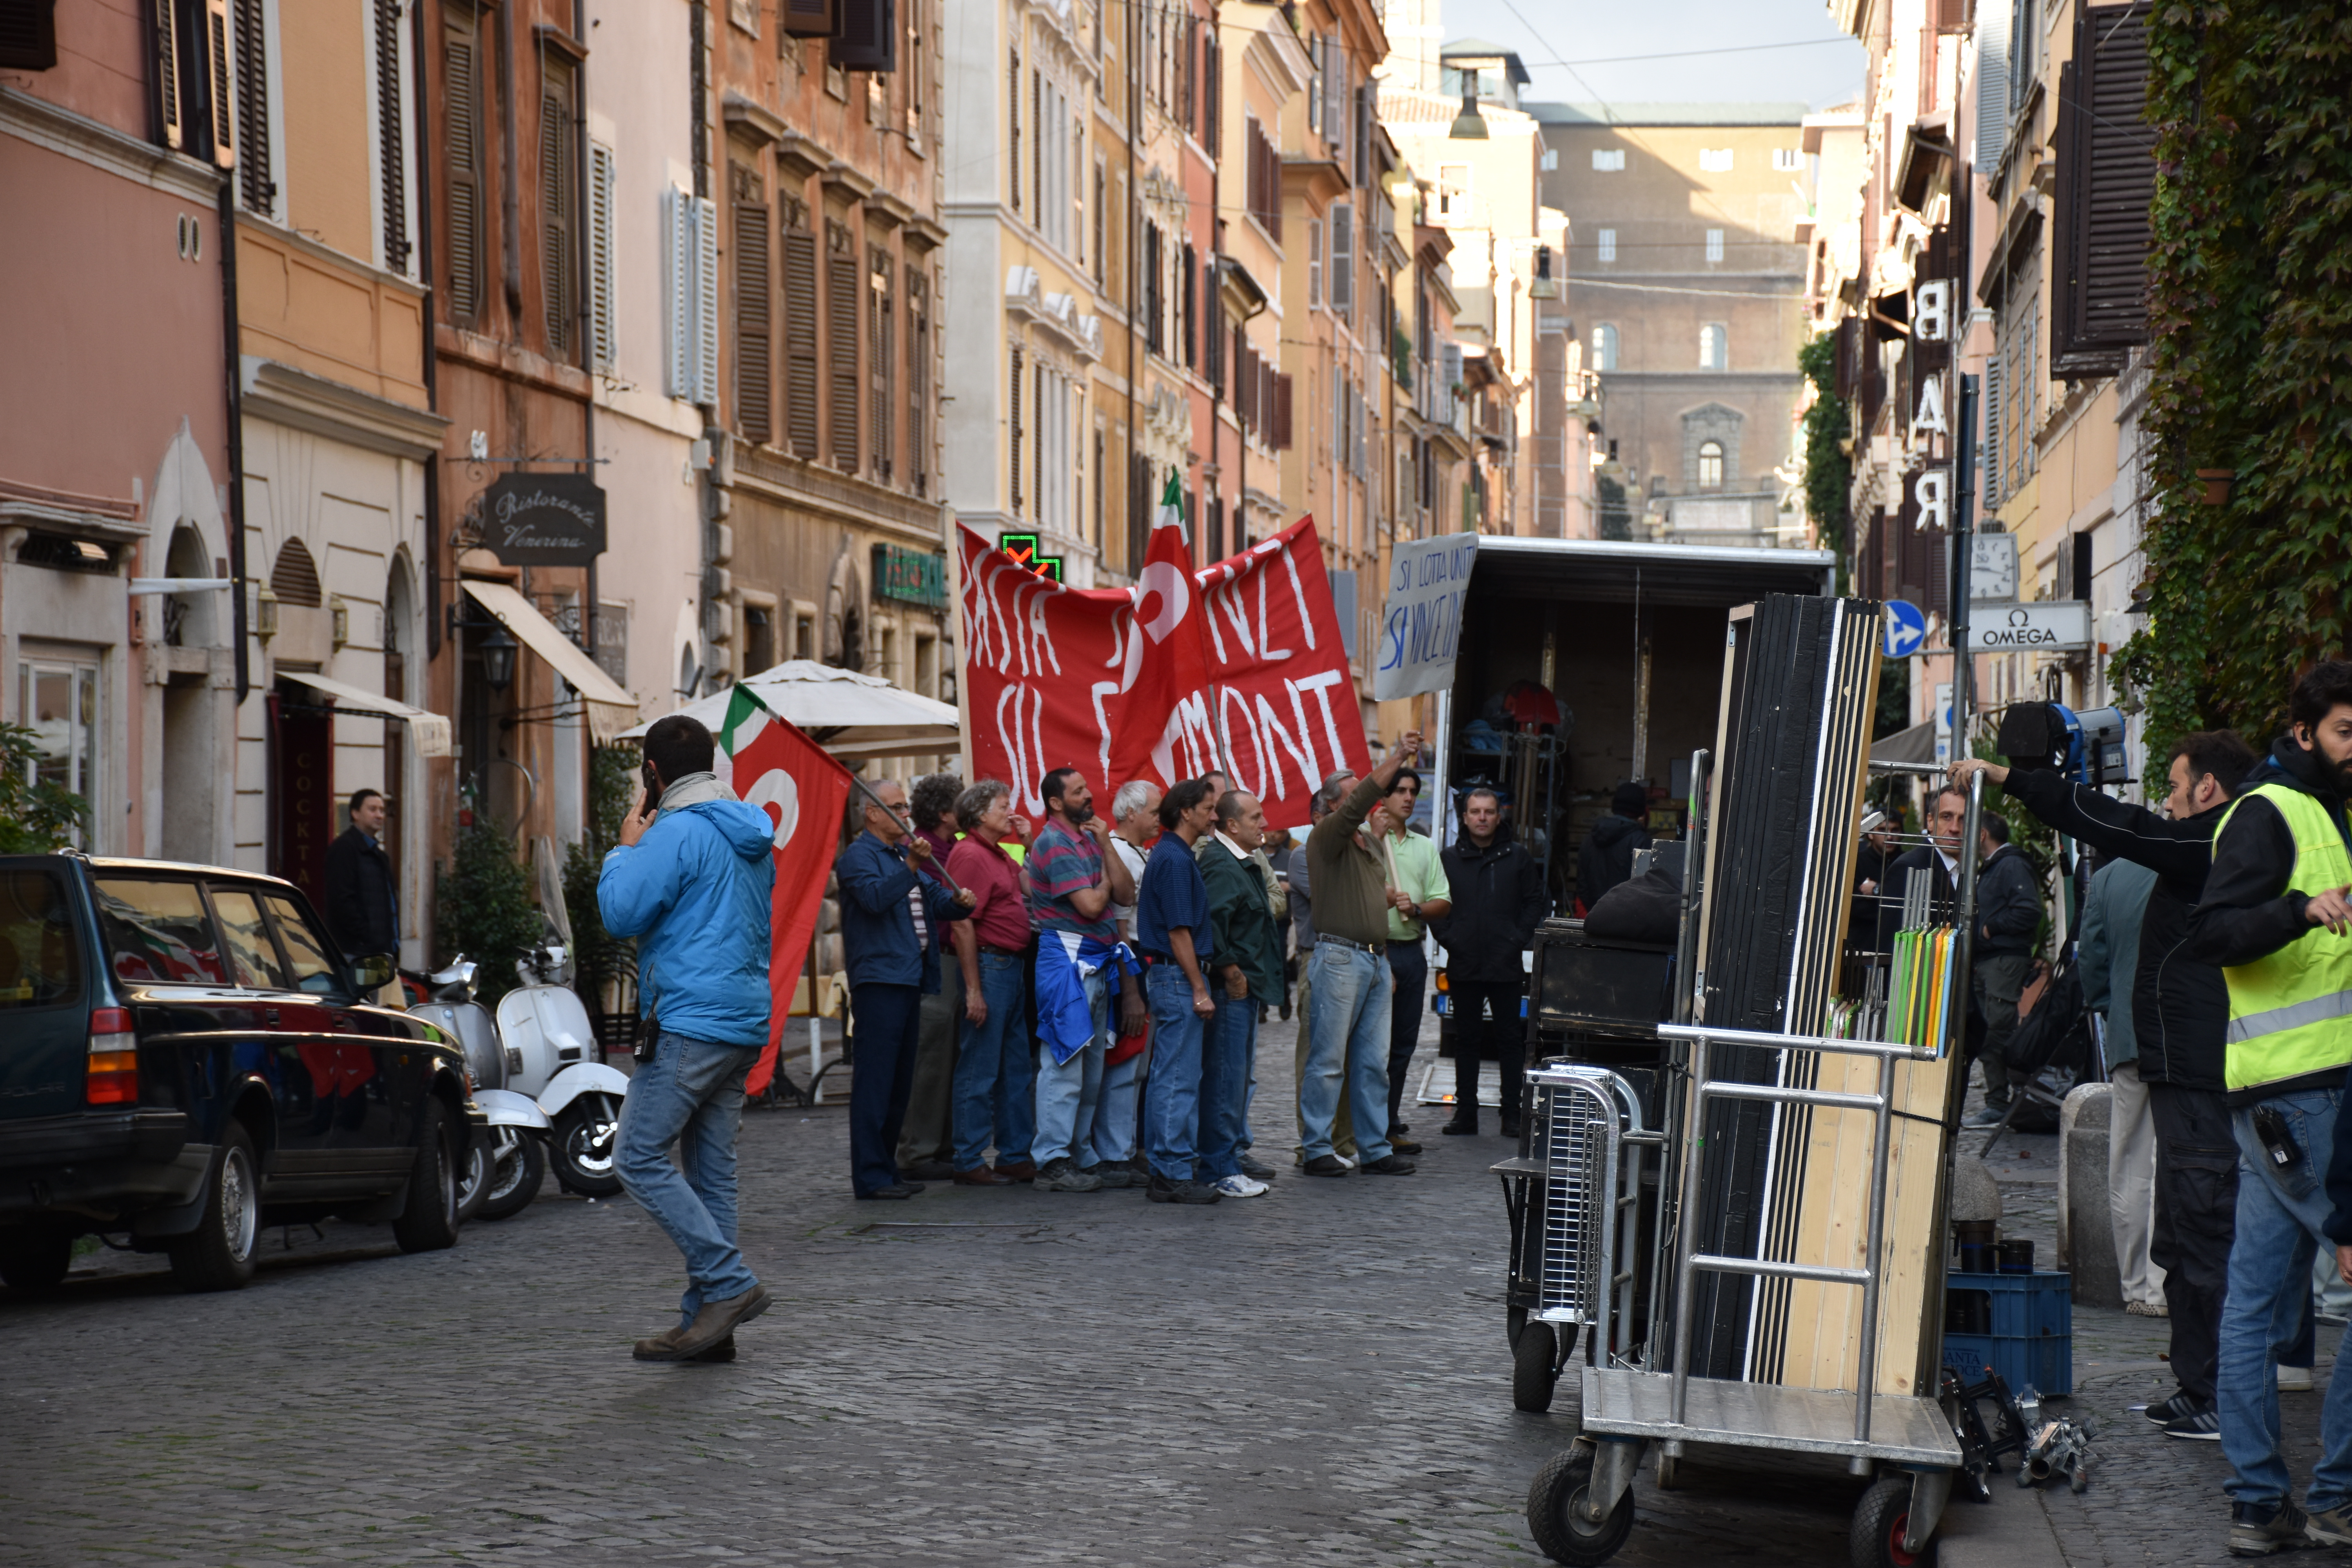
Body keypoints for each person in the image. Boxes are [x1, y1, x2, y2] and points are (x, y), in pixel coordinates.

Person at [1953, 729, 2264, 1444]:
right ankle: (2198, 1389)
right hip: (2174, 1062)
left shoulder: (2209, 843)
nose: (2167, 801)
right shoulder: (2219, 843)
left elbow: (2111, 820)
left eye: (2177, 786)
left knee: (2203, 1225)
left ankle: (2217, 1394)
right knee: (2183, 1231)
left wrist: (2010, 777)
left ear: (2209, 790)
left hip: (2199, 1069)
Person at [2185, 662, 2352, 1553]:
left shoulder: (2325, 813)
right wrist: (2298, 909)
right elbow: (2212, 932)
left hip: (2285, 1097)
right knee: (2260, 1305)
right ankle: (2335, 1496)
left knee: (2251, 1305)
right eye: (2345, 732)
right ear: (2302, 734)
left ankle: (2259, 1501)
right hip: (2304, 1099)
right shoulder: (2269, 812)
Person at [598, 715, 783, 1362]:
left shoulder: (673, 832)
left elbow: (622, 913)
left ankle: (730, 1286)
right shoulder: (750, 827)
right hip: (743, 1016)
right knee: (712, 1175)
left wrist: (625, 848)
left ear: (653, 773)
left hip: (690, 1018)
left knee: (637, 1157)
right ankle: (709, 1327)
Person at [835, 778, 976, 1201]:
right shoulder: (857, 858)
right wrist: (911, 867)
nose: (907, 814)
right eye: (897, 806)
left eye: (906, 806)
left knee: (900, 1082)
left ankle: (887, 1169)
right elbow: (876, 899)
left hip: (910, 977)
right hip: (879, 980)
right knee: (876, 1081)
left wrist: (961, 903)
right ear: (873, 812)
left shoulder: (900, 854)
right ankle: (870, 1176)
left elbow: (934, 899)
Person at [1298, 734, 1425, 1179]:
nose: (1366, 800)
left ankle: (1373, 1147)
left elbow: (1376, 901)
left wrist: (1385, 957)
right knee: (1329, 1059)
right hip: (1339, 956)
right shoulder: (1327, 834)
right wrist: (1398, 758)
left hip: (1371, 959)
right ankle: (1316, 1147)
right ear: (1335, 806)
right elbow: (1366, 800)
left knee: (1374, 1062)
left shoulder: (1367, 844)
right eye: (1354, 796)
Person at [1027, 767, 1143, 1193]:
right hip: (1067, 964)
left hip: (1097, 961)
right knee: (1063, 1064)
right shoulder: (1054, 843)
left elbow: (1126, 896)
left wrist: (1104, 849)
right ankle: (1052, 1160)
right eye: (1078, 791)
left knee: (1090, 1070)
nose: (1089, 795)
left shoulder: (1088, 839)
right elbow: (1095, 904)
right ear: (1056, 803)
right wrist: (1108, 879)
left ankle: (1078, 1152)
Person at [2076, 854, 2166, 1314]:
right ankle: (2162, 1286)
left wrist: (2112, 1007)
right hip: (2188, 1034)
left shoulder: (2109, 877)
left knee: (2130, 1160)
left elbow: (2091, 954)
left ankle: (2136, 1286)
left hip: (2130, 1030)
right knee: (2173, 1159)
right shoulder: (2198, 856)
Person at [1434, 786, 1548, 1137]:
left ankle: (1511, 1114)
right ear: (1465, 818)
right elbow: (1434, 902)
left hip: (1505, 964)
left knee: (1509, 1042)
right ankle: (1465, 1113)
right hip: (1464, 963)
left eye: (1488, 811)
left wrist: (1516, 938)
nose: (1482, 818)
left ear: (1499, 816)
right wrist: (1450, 938)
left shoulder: (1517, 857)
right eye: (1475, 812)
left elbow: (1534, 901)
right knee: (1466, 1041)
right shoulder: (1449, 859)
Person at [943, 780, 1040, 1186]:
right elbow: (962, 922)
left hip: (1010, 967)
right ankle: (968, 1158)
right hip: (991, 966)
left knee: (1015, 1065)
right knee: (980, 1066)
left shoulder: (998, 853)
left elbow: (1033, 890)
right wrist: (973, 989)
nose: (1010, 810)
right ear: (981, 814)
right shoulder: (969, 855)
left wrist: (1030, 842)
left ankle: (1015, 1153)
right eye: (1003, 806)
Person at [1134, 778, 1223, 1204]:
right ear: (1186, 812)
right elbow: (1178, 931)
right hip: (1176, 976)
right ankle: (1170, 1171)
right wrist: (1198, 988)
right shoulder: (1173, 858)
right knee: (1176, 1078)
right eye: (1208, 808)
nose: (1215, 815)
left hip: (1173, 976)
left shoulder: (1174, 854)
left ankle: (1169, 1167)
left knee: (1174, 1076)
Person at [1197, 789, 1281, 1198]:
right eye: (1255, 817)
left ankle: (1223, 1160)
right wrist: (1231, 971)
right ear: (1232, 825)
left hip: (1243, 989)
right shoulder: (1220, 863)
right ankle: (1220, 1167)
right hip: (1231, 989)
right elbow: (1210, 927)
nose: (1263, 824)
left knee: (1233, 1079)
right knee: (1225, 1080)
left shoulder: (1239, 861)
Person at [1376, 767, 1450, 1151]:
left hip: (1411, 952)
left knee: (1403, 1045)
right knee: (1373, 1046)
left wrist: (1418, 908)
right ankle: (1364, 1126)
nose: (1407, 797)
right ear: (1384, 797)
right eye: (1400, 790)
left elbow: (1443, 901)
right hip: (1377, 950)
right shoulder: (1370, 842)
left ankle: (1388, 1121)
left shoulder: (1423, 847)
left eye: (1412, 791)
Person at [897, 772, 965, 1181]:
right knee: (931, 1061)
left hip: (951, 959)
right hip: (936, 958)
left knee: (950, 1058)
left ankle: (939, 1146)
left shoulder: (949, 847)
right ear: (944, 812)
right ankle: (918, 1150)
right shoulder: (920, 850)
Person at [1096, 780, 1161, 1178]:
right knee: (1123, 1061)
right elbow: (1120, 925)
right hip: (1130, 958)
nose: (1159, 818)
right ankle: (1114, 1152)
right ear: (1132, 812)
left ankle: (1127, 1145)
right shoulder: (1118, 853)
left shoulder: (1137, 851)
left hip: (1142, 958)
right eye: (1154, 811)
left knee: (1138, 1063)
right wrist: (1131, 987)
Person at [1287, 787, 1355, 1165]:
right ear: (1321, 813)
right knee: (1316, 1057)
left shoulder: (1354, 852)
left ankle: (1343, 1143)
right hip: (1320, 957)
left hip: (1353, 957)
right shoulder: (1303, 854)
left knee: (1346, 1059)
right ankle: (1311, 1144)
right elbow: (1339, 900)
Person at [1968, 813, 2044, 1125]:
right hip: (1990, 960)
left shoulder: (2010, 864)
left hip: (2003, 961)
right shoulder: (1996, 866)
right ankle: (2001, 1101)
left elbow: (2029, 910)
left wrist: (1989, 929)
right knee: (1989, 1031)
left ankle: (2004, 1103)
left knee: (1996, 1032)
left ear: (1982, 833)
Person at [323, 789, 398, 964]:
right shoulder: (344, 849)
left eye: (382, 810)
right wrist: (367, 937)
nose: (379, 815)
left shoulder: (378, 855)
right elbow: (342, 901)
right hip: (356, 952)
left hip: (379, 952)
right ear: (355, 814)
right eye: (373, 810)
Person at [1577, 782, 1653, 912]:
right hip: (1627, 922)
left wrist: (1595, 911)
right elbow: (1645, 888)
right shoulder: (1641, 842)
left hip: (1595, 918)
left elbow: (1582, 886)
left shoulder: (1590, 839)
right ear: (1641, 810)